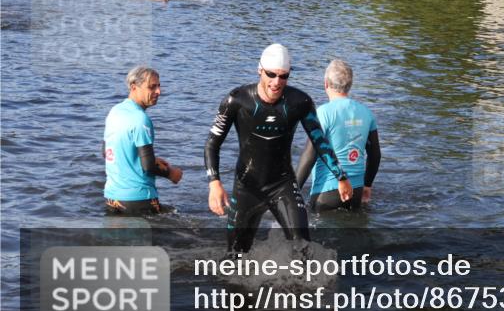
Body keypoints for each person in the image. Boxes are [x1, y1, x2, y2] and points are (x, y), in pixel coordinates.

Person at [204, 44, 348, 253]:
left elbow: (319, 140)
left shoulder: (300, 101)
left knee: (304, 249)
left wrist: (340, 176)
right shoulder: (237, 100)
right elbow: (212, 144)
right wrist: (214, 184)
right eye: (271, 74)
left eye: (283, 76)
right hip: (247, 187)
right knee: (235, 258)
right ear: (260, 70)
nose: (276, 82)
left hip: (282, 184)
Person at [296, 60, 381, 212]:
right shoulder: (367, 113)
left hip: (326, 192)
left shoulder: (322, 113)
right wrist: (367, 185)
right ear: (350, 85)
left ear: (326, 84)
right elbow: (375, 155)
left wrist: (293, 192)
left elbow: (309, 157)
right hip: (356, 191)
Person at [104, 66, 183, 215]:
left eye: (159, 86)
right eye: (152, 87)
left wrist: (148, 158)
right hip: (139, 199)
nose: (159, 92)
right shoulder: (141, 119)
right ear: (134, 87)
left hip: (112, 198)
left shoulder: (114, 112)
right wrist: (171, 173)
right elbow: (148, 167)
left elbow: (107, 152)